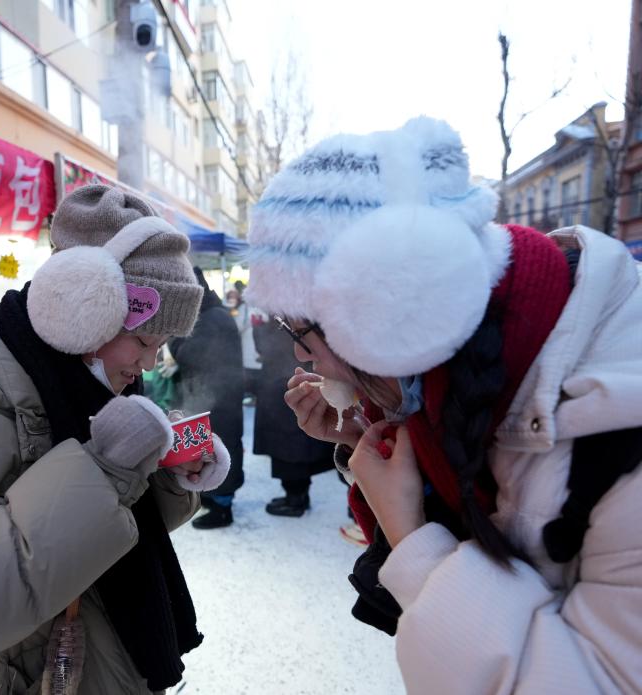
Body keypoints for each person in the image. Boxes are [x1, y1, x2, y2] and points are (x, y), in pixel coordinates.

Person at [246, 117, 642, 694]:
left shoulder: (620, 430)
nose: (303, 359)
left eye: (300, 331)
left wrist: (413, 539)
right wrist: (367, 445)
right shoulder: (465, 386)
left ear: (387, 313)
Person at [0, 185, 231, 694]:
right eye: (144, 340)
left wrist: (166, 476)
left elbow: (109, 532)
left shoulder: (93, 388)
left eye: (162, 345)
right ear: (80, 308)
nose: (150, 364)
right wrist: (104, 470)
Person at [168, 267, 245, 529]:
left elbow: (190, 354)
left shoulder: (211, 318)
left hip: (218, 399)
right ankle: (213, 497)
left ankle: (223, 507)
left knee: (220, 449)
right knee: (209, 448)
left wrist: (172, 341)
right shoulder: (212, 313)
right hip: (214, 396)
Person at [252, 316, 334, 516]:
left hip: (283, 384)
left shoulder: (283, 318)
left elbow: (267, 348)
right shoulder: (298, 314)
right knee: (295, 444)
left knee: (288, 448)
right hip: (290, 382)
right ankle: (298, 496)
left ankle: (295, 499)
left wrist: (258, 327)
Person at [225, 286, 261, 402]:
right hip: (247, 348)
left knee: (255, 375)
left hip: (257, 348)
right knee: (249, 374)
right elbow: (238, 326)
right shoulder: (242, 309)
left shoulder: (258, 307)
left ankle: (254, 397)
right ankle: (250, 396)